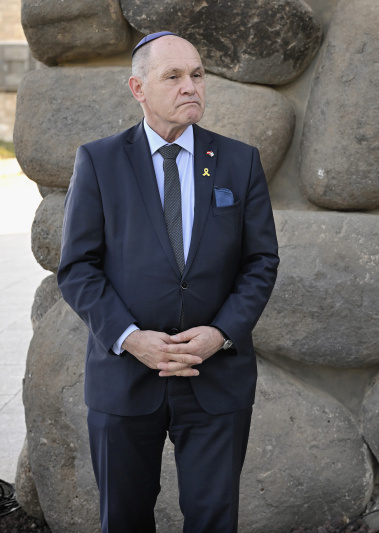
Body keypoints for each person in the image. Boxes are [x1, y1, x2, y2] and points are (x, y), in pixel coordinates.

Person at [57, 31, 280, 532]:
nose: (190, 87)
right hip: (125, 379)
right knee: (125, 520)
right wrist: (131, 339)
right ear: (138, 88)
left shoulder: (239, 161)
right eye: (173, 76)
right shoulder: (100, 161)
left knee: (213, 519)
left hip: (215, 379)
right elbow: (77, 268)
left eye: (197, 75)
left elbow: (261, 260)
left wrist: (220, 334)